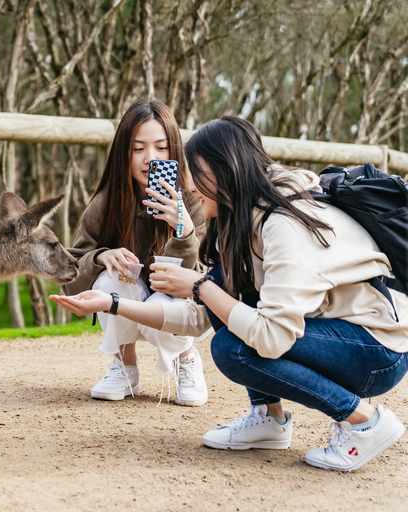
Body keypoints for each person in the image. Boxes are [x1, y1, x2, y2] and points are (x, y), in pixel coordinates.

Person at [52, 115, 408, 472]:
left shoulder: (283, 225)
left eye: (196, 174)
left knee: (233, 348)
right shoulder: (234, 219)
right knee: (231, 320)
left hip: (378, 348)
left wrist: (199, 285)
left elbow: (272, 336)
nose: (189, 187)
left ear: (225, 171)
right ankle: (269, 418)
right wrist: (112, 303)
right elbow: (198, 318)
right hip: (336, 330)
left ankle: (365, 421)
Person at [63, 98, 209, 405]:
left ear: (175, 151)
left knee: (168, 294)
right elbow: (71, 278)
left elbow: (197, 284)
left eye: (161, 148)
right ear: (123, 153)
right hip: (128, 296)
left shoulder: (195, 202)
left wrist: (183, 230)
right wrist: (101, 256)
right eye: (138, 148)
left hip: (173, 304)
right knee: (114, 278)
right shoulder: (106, 203)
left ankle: (187, 360)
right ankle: (124, 366)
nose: (149, 159)